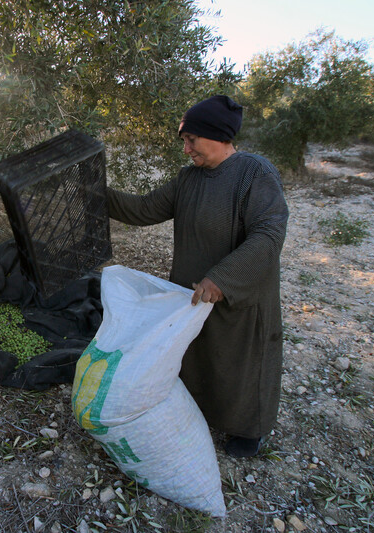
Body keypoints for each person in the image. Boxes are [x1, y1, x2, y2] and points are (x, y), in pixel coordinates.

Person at [106, 95, 289, 458]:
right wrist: (97, 194)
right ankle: (200, 414)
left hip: (239, 293)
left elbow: (268, 234)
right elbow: (144, 210)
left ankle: (248, 429)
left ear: (219, 136)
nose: (186, 149)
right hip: (193, 293)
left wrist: (222, 279)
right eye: (184, 141)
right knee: (199, 357)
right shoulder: (187, 180)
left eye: (192, 140)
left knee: (240, 362)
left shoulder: (255, 173)